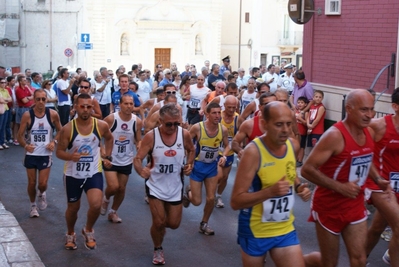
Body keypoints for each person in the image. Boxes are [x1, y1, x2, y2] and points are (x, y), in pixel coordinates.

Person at [301, 89, 390, 267]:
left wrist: (377, 178)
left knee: (359, 260)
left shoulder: (368, 132)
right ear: (349, 109)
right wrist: (340, 187)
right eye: (364, 110)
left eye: (372, 109)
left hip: (355, 205)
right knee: (329, 263)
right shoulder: (334, 136)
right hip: (329, 207)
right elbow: (307, 169)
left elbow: (365, 157)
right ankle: (298, 262)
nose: (370, 115)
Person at [230, 101, 312, 267]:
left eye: (289, 124)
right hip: (255, 230)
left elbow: (288, 172)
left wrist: (298, 186)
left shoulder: (292, 145)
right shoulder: (253, 152)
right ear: (264, 124)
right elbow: (236, 201)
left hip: (285, 228)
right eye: (279, 125)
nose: (285, 130)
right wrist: (269, 192)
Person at [134, 104, 195, 265]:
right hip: (155, 185)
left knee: (173, 224)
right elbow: (138, 159)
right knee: (159, 222)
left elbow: (192, 150)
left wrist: (189, 165)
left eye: (177, 123)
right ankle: (158, 248)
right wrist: (141, 171)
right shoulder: (151, 136)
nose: (173, 127)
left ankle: (160, 229)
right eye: (169, 124)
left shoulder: (184, 135)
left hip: (175, 186)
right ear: (160, 121)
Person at [56, 93, 114, 250]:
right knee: (73, 208)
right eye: (82, 106)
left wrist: (106, 154)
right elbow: (59, 152)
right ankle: (70, 233)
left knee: (96, 205)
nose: (86, 110)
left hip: (93, 172)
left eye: (89, 107)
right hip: (73, 174)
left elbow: (109, 138)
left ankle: (88, 230)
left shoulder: (100, 125)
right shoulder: (68, 129)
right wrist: (70, 156)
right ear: (75, 107)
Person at [364, 87, 399, 266]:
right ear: (395, 106)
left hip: (398, 185)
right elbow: (360, 146)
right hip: (380, 184)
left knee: (377, 228)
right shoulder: (379, 125)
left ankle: (359, 260)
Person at [183, 102, 230, 235]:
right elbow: (186, 142)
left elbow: (227, 146)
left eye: (218, 112)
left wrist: (224, 156)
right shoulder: (198, 128)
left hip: (211, 167)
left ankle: (204, 223)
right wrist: (189, 160)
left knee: (210, 198)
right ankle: (189, 193)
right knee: (197, 201)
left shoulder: (223, 130)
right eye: (214, 113)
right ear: (207, 114)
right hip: (197, 166)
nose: (217, 116)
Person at [17, 89, 62, 217]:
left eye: (43, 99)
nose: (41, 102)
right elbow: (19, 135)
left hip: (45, 153)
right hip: (31, 154)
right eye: (38, 99)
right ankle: (32, 206)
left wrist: (54, 141)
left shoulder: (52, 114)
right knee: (31, 183)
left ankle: (41, 194)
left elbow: (61, 131)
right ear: (34, 100)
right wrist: (26, 145)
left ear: (46, 100)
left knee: (42, 184)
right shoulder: (28, 115)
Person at [101, 95, 142, 223]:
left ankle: (113, 211)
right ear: (120, 104)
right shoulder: (111, 119)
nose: (129, 106)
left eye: (131, 104)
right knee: (113, 186)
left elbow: (138, 139)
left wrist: (139, 145)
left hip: (126, 158)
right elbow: (97, 136)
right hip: (111, 158)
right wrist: (103, 152)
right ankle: (106, 199)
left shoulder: (137, 121)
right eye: (126, 104)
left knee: (121, 188)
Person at [215, 95, 239, 208]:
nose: (231, 110)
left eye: (234, 107)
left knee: (224, 177)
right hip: (216, 151)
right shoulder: (218, 116)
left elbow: (240, 135)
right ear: (224, 106)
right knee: (218, 176)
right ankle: (211, 193)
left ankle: (218, 195)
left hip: (229, 152)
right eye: (229, 107)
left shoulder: (238, 119)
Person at [295, 96, 309, 167]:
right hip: (296, 132)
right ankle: (296, 159)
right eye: (298, 102)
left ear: (305, 104)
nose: (300, 104)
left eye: (302, 103)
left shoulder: (305, 113)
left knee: (301, 147)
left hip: (302, 132)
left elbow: (306, 123)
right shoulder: (296, 111)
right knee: (296, 145)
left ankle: (300, 160)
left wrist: (300, 118)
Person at [0, 77, 12, 149]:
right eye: (2, 82)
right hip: (1, 110)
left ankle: (2, 142)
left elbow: (10, 99)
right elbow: (1, 101)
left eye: (5, 82)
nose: (4, 84)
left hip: (6, 109)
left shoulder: (6, 90)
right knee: (0, 127)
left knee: (3, 127)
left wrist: (5, 100)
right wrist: (6, 100)